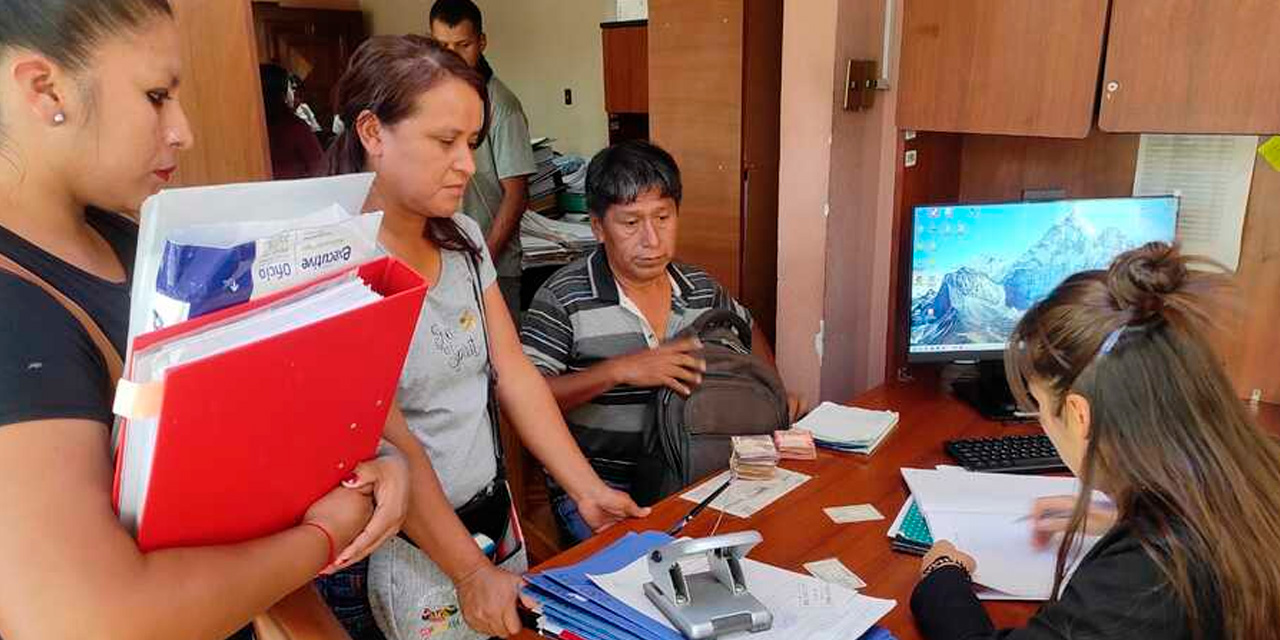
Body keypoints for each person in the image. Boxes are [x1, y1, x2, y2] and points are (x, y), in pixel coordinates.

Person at [0, 2, 409, 639]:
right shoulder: (16, 311)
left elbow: (236, 445)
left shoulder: (132, 242)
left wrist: (372, 465)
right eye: (156, 95)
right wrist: (323, 534)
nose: (183, 130)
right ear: (44, 87)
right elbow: (88, 620)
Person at [320, 35, 649, 640]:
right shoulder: (335, 264)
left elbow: (515, 375)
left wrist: (587, 490)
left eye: (471, 143)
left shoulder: (464, 237)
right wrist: (471, 573)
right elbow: (394, 443)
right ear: (372, 132)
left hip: (488, 519)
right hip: (402, 545)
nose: (469, 165)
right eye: (445, 142)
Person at [910, 242, 1280, 640]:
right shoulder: (1256, 473)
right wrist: (1122, 517)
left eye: (1040, 405)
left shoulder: (1148, 576)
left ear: (1079, 415)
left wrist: (940, 580)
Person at [520, 140, 804, 543]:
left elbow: (748, 327)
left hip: (696, 474)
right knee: (640, 582)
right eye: (631, 223)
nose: (652, 240)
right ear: (598, 227)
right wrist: (620, 371)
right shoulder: (563, 297)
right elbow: (527, 395)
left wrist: (772, 389)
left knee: (774, 541)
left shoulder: (700, 288)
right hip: (601, 489)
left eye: (663, 217)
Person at [429, 0, 535, 321]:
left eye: (463, 45)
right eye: (442, 46)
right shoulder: (429, 99)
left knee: (500, 365)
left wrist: (482, 258)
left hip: (492, 264)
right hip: (442, 262)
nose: (452, 56)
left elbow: (517, 195)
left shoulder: (502, 106)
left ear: (482, 42)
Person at [260, 63, 325, 179]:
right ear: (282, 92)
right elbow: (320, 168)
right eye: (291, 87)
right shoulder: (295, 127)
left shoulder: (247, 128)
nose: (294, 92)